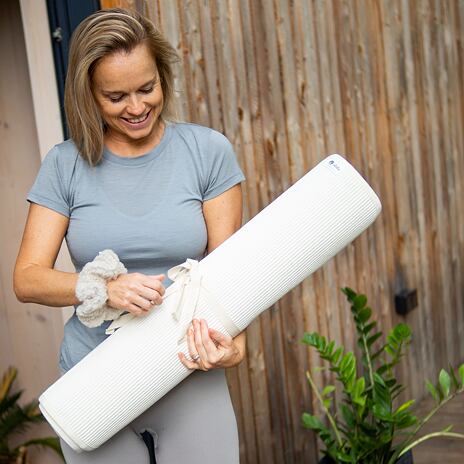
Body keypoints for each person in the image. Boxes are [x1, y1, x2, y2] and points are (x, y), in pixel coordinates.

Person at [13, 8, 246, 464]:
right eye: (116, 96)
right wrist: (104, 288)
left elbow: (230, 272)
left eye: (147, 88)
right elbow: (27, 278)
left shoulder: (208, 152)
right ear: (89, 96)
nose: (137, 108)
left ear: (162, 77)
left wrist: (237, 347)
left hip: (186, 370)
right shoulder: (64, 165)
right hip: (94, 378)